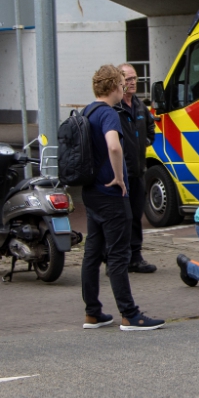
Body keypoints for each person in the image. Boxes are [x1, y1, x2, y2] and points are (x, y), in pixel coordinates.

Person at [80, 65, 164, 331]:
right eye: (121, 84)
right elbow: (114, 146)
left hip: (91, 192)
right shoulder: (109, 113)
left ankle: (92, 312)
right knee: (118, 255)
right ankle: (130, 314)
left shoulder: (87, 111)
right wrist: (119, 177)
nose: (124, 88)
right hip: (110, 194)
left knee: (92, 253)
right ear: (113, 87)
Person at [113, 63, 158, 274]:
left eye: (134, 79)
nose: (132, 83)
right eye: (128, 79)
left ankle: (135, 257)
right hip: (119, 173)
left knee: (136, 215)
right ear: (119, 81)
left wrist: (144, 142)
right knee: (120, 218)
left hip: (138, 171)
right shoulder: (114, 108)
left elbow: (151, 128)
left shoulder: (140, 106)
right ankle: (116, 258)